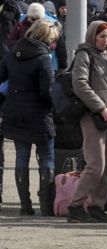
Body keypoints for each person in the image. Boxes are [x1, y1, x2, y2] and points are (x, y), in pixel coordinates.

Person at [65, 21, 107, 223]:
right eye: (102, 36)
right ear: (92, 37)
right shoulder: (84, 55)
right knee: (96, 164)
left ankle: (97, 206)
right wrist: (100, 107)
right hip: (94, 116)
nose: (105, 40)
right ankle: (76, 206)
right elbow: (80, 84)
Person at [0, 20, 59, 215]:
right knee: (47, 158)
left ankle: (25, 205)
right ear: (46, 38)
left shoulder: (13, 53)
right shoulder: (44, 59)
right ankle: (46, 205)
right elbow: (46, 92)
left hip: (15, 113)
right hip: (39, 114)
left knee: (21, 157)